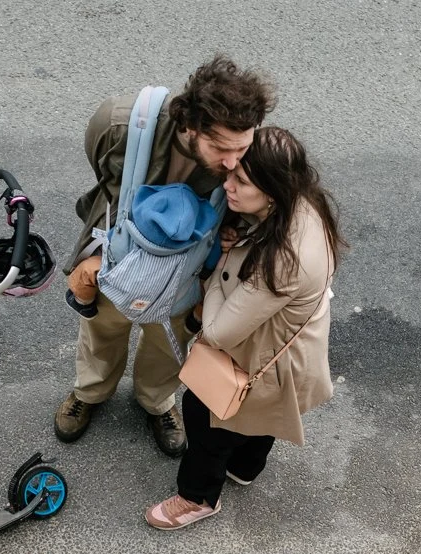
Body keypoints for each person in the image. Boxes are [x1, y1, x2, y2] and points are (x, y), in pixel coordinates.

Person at [56, 56, 276, 457]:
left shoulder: (247, 151)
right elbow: (102, 178)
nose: (233, 163)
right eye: (220, 149)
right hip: (119, 265)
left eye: (241, 149)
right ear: (190, 125)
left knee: (168, 342)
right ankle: (89, 392)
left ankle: (156, 402)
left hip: (187, 276)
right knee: (102, 332)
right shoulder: (119, 125)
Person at [144, 126, 344, 529]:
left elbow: (218, 331)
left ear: (271, 189)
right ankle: (245, 468)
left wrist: (219, 267)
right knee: (263, 418)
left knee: (205, 416)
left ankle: (197, 498)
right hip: (288, 355)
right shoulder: (304, 204)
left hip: (254, 357)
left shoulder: (284, 263)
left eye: (241, 181)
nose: (227, 184)